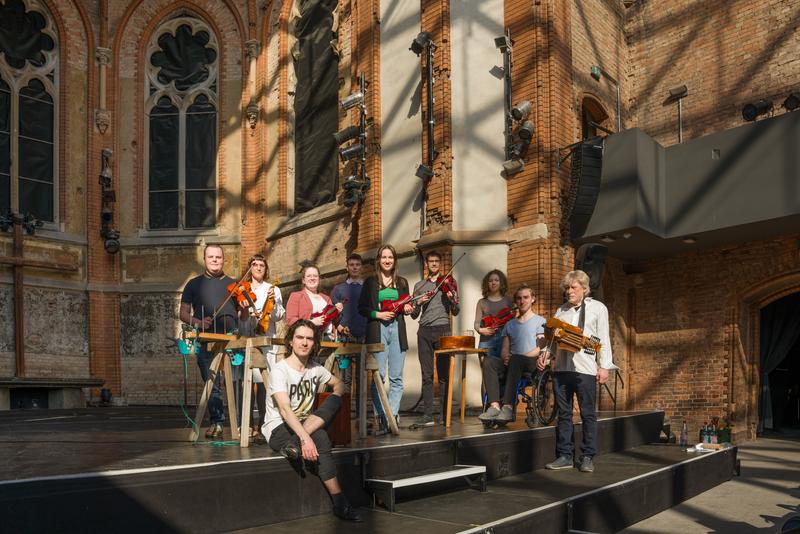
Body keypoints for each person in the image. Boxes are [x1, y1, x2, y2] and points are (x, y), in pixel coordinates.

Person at [262, 319, 361, 521]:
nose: (304, 343)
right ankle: (340, 502)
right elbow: (284, 409)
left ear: (314, 343)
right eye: (300, 337)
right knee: (322, 438)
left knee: (336, 399)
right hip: (278, 428)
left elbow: (340, 384)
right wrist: (306, 438)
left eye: (309, 338)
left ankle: (294, 446)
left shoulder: (316, 369)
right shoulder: (279, 370)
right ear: (290, 341)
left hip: (303, 426)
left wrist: (335, 393)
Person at [540, 270, 613, 473]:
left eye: (573, 287)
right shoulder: (560, 311)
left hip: (586, 369)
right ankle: (565, 455)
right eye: (567, 288)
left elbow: (603, 338)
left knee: (587, 413)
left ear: (584, 288)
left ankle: (587, 456)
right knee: (564, 414)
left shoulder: (598, 308)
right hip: (562, 368)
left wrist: (604, 365)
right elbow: (552, 339)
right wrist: (545, 355)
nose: (569, 291)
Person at [179, 244, 249, 439]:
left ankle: (240, 425)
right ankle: (217, 422)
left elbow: (244, 317)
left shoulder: (236, 284)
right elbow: (183, 313)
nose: (215, 260)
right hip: (206, 339)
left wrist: (244, 307)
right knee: (212, 383)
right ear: (205, 259)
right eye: (211, 257)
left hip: (232, 340)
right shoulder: (193, 284)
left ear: (224, 259)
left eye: (218, 257)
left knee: (236, 382)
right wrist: (198, 322)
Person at [358, 244, 413, 433]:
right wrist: (378, 314)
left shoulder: (403, 282)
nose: (387, 260)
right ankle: (381, 416)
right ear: (378, 260)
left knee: (396, 377)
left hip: (397, 329)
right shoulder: (371, 282)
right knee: (378, 377)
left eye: (390, 257)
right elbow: (362, 308)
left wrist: (408, 308)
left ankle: (393, 417)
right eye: (384, 257)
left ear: (394, 260)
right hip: (378, 328)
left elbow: (409, 307)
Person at [478, 284, 546, 423]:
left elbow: (540, 348)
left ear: (533, 299)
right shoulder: (510, 324)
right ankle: (495, 406)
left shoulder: (540, 321)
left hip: (530, 364)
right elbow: (504, 349)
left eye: (526, 297)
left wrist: (518, 358)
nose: (522, 301)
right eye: (519, 298)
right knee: (489, 360)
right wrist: (505, 357)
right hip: (512, 364)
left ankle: (508, 408)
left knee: (516, 359)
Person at [410, 250, 460, 426]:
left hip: (443, 330)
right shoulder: (419, 285)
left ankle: (444, 414)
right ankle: (428, 415)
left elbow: (456, 310)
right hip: (424, 330)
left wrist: (452, 298)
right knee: (427, 375)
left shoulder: (449, 283)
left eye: (436, 261)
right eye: (430, 261)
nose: (433, 264)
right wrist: (418, 302)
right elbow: (414, 315)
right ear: (426, 264)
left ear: (440, 264)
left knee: (444, 375)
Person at [242, 254, 285, 441]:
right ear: (249, 267)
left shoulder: (273, 289)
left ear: (265, 269)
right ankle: (246, 424)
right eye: (254, 264)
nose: (258, 268)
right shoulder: (242, 288)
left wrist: (273, 303)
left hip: (267, 340)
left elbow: (280, 315)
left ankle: (263, 424)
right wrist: (247, 311)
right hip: (247, 338)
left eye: (261, 265)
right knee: (246, 382)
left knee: (264, 382)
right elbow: (239, 316)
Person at [331, 253, 367, 396]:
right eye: (351, 265)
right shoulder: (339, 289)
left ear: (361, 267)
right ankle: (346, 415)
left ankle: (359, 415)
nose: (355, 267)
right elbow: (331, 312)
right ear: (347, 267)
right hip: (344, 340)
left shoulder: (368, 287)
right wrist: (338, 326)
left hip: (363, 339)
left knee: (361, 377)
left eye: (357, 265)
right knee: (345, 378)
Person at [286, 264, 343, 339]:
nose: (312, 278)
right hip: (307, 339)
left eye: (315, 276)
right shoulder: (296, 296)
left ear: (319, 279)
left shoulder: (326, 298)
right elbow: (290, 320)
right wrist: (310, 322)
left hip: (328, 339)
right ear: (303, 280)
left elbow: (334, 321)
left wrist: (337, 312)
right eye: (309, 276)